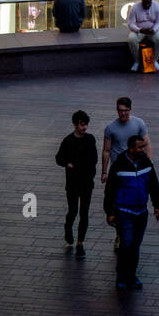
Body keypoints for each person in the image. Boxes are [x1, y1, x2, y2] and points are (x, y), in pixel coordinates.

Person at [103, 133, 159, 291]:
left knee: (135, 245)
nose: (143, 149)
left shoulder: (146, 163)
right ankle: (121, 277)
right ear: (130, 148)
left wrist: (157, 205)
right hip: (124, 211)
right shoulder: (119, 165)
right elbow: (110, 190)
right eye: (140, 147)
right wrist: (110, 212)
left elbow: (153, 184)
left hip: (141, 212)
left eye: (143, 146)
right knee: (126, 243)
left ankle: (131, 275)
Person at [55, 109, 98, 260]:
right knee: (73, 210)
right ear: (75, 124)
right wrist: (68, 164)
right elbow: (59, 158)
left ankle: (80, 243)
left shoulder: (90, 139)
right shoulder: (68, 141)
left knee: (84, 213)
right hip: (73, 183)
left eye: (85, 124)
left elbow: (94, 159)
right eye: (81, 124)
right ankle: (68, 227)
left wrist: (90, 174)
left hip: (86, 183)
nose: (84, 127)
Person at [101, 97, 152, 185]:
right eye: (120, 110)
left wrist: (149, 164)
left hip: (135, 167)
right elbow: (106, 150)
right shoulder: (110, 128)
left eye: (126, 110)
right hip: (118, 168)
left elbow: (147, 144)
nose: (123, 113)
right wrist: (104, 172)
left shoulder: (139, 123)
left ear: (130, 109)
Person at [127, 0, 159, 72]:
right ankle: (137, 61)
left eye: (149, 3)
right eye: (145, 3)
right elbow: (130, 24)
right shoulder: (135, 7)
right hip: (139, 30)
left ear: (151, 1)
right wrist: (139, 29)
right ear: (142, 0)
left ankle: (153, 61)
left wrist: (154, 29)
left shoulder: (157, 7)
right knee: (131, 39)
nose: (147, 5)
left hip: (153, 30)